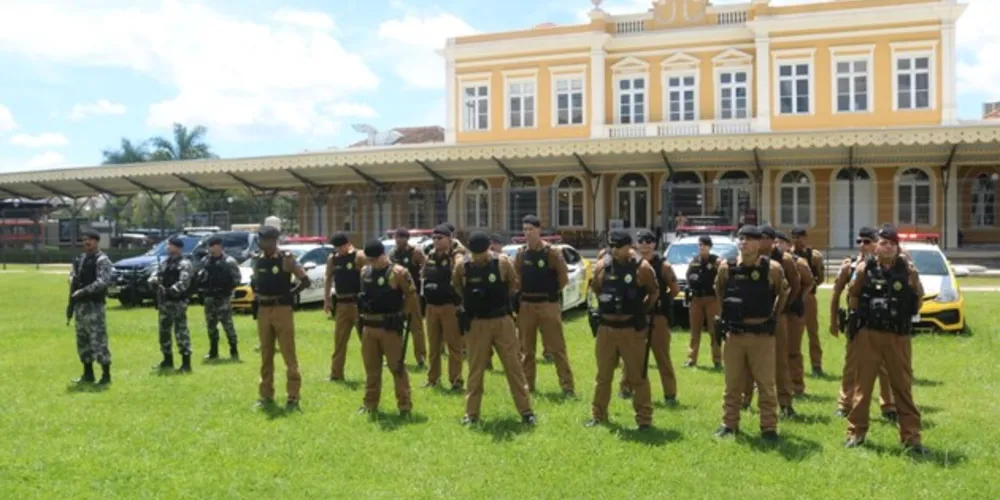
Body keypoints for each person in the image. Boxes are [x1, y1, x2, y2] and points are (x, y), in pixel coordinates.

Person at [844, 225, 926, 454]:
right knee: (863, 386)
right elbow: (853, 297)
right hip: (869, 335)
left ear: (897, 247)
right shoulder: (864, 269)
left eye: (892, 243)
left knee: (902, 386)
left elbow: (917, 299)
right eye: (883, 243)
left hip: (897, 336)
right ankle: (856, 433)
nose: (887, 247)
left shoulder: (908, 271)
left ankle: (911, 437)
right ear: (876, 246)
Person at [452, 230, 535, 425]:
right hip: (477, 322)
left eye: (481, 252)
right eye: (475, 253)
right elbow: (458, 288)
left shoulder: (502, 263)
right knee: (475, 369)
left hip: (501, 320)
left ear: (489, 248)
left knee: (514, 367)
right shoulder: (461, 266)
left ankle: (526, 411)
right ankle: (471, 414)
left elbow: (513, 286)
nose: (478, 257)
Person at [714, 225, 788, 441]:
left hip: (761, 336)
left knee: (765, 384)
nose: (744, 242)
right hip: (735, 335)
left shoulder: (772, 269)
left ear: (758, 243)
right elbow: (719, 292)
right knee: (732, 384)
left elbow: (782, 293)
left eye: (749, 239)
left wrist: (773, 317)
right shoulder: (726, 268)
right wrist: (724, 317)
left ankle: (768, 427)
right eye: (741, 239)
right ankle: (729, 424)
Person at [585, 229, 658, 430]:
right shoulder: (602, 266)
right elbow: (597, 290)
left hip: (631, 330)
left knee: (638, 377)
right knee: (603, 376)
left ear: (629, 246)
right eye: (613, 246)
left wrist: (641, 311)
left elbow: (653, 292)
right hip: (607, 328)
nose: (615, 250)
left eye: (620, 247)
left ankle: (644, 419)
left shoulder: (641, 268)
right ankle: (598, 415)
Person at [829, 227, 897, 420]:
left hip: (882, 323)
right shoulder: (850, 266)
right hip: (857, 322)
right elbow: (836, 293)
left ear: (876, 244)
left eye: (867, 241)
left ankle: (888, 405)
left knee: (884, 366)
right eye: (859, 241)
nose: (862, 245)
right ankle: (845, 403)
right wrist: (833, 321)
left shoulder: (885, 267)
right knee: (851, 364)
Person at [251, 225, 311, 412]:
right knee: (266, 354)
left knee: (288, 354)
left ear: (273, 241)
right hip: (263, 310)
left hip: (282, 309)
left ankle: (293, 396)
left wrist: (290, 294)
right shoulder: (256, 260)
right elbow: (256, 282)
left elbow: (305, 280)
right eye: (260, 239)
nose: (261, 243)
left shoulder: (286, 259)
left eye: (264, 240)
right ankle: (265, 394)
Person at [514, 215, 575, 396]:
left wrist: (551, 294)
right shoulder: (521, 254)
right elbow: (517, 280)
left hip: (548, 303)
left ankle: (567, 386)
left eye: (531, 229)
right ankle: (528, 386)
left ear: (539, 230)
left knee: (557, 348)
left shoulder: (552, 253)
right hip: (527, 305)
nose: (527, 233)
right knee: (526, 350)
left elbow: (563, 279)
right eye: (525, 230)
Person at [742, 226, 799, 417]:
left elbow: (793, 286)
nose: (761, 241)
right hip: (750, 317)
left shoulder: (783, 260)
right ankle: (745, 399)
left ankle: (785, 403)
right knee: (747, 360)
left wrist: (781, 310)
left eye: (764, 238)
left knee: (780, 360)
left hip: (776, 317)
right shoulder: (747, 259)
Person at [618, 229, 681, 405]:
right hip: (635, 317)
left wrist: (661, 302)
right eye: (641, 241)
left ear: (654, 244)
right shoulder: (632, 264)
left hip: (657, 319)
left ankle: (670, 394)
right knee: (630, 356)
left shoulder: (663, 266)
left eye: (649, 241)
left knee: (662, 357)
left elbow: (675, 290)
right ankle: (625, 389)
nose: (645, 244)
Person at [356, 240, 414, 417]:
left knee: (396, 368)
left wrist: (403, 315)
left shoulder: (398, 273)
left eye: (374, 259)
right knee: (371, 369)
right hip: (369, 326)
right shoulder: (365, 271)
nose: (371, 263)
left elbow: (411, 295)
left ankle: (404, 405)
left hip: (389, 327)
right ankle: (370, 403)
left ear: (383, 255)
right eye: (369, 259)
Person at [421, 224, 466, 390]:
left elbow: (461, 274)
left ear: (449, 239)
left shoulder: (456, 256)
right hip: (432, 307)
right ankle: (433, 378)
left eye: (440, 238)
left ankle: (456, 380)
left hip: (449, 306)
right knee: (433, 346)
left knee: (453, 346)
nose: (436, 241)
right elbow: (424, 276)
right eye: (433, 238)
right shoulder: (430, 256)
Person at [68, 230, 114, 385]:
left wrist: (83, 291)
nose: (86, 243)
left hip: (94, 306)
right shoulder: (81, 259)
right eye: (84, 240)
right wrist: (71, 279)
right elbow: (73, 274)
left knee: (98, 340)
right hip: (80, 306)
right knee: (83, 341)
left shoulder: (102, 260)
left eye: (89, 240)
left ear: (96, 242)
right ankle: (88, 374)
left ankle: (106, 376)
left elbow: (103, 281)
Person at [324, 232, 366, 381]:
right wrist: (327, 300)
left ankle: (373, 371)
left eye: (340, 247)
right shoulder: (333, 259)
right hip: (341, 304)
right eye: (335, 248)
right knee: (339, 341)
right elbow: (328, 279)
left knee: (366, 340)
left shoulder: (358, 256)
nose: (338, 251)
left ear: (347, 245)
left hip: (357, 304)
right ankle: (336, 373)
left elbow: (367, 276)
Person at [150, 236, 194, 373]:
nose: (168, 247)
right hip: (164, 303)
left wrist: (171, 290)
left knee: (181, 332)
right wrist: (154, 280)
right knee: (164, 332)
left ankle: (186, 363)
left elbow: (184, 282)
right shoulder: (165, 263)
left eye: (170, 245)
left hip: (178, 302)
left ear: (177, 247)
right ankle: (167, 360)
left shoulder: (185, 264)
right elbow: (154, 275)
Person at [778, 231, 814, 396]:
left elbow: (809, 282)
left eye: (781, 242)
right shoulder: (767, 262)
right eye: (775, 242)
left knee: (793, 350)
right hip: (775, 313)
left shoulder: (797, 262)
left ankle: (797, 386)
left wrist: (798, 299)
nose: (778, 245)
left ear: (787, 245)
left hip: (792, 312)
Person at [198, 236, 241, 361]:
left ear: (219, 246)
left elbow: (237, 279)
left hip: (223, 298)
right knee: (211, 325)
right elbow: (199, 276)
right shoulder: (205, 261)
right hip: (209, 297)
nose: (211, 248)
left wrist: (227, 289)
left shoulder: (229, 261)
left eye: (213, 245)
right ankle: (213, 351)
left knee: (228, 325)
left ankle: (234, 351)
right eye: (209, 245)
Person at [389, 227, 427, 369]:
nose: (398, 239)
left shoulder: (414, 252)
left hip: (412, 294)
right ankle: (395, 356)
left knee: (416, 327)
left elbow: (425, 265)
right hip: (396, 295)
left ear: (407, 238)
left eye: (401, 237)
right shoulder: (393, 253)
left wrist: (422, 278)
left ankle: (420, 357)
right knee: (395, 326)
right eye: (396, 237)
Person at [791, 227, 826, 376]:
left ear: (805, 238)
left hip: (809, 297)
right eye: (794, 237)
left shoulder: (813, 256)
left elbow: (820, 277)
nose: (797, 240)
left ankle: (816, 364)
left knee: (812, 332)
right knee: (793, 333)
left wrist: (809, 289)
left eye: (800, 237)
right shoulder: (788, 255)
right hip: (793, 297)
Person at [684, 235, 722, 369]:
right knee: (695, 331)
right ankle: (691, 359)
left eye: (704, 245)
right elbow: (688, 276)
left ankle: (717, 359)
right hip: (696, 299)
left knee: (714, 330)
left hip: (711, 299)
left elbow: (723, 276)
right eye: (700, 245)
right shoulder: (694, 261)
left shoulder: (716, 261)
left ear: (710, 247)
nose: (702, 247)